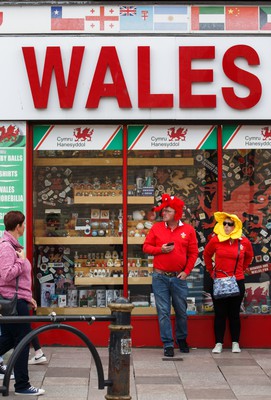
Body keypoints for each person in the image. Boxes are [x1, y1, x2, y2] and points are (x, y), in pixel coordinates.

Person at [143, 194, 198, 357]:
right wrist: (160, 249)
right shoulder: (157, 228)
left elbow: (193, 253)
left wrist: (186, 272)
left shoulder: (188, 230)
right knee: (163, 311)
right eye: (164, 210)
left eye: (168, 211)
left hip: (178, 277)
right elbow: (145, 247)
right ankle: (168, 344)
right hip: (160, 277)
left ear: (177, 213)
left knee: (181, 310)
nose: (164, 213)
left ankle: (181, 339)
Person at [0, 211, 45, 395]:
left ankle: (22, 385)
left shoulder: (13, 246)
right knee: (23, 340)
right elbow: (6, 275)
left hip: (19, 300)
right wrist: (20, 261)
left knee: (11, 339)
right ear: (17, 226)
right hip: (13, 302)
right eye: (24, 224)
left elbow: (20, 281)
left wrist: (28, 297)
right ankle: (22, 386)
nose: (25, 226)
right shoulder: (6, 247)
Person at [203, 212, 254, 354]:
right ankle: (218, 343)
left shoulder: (243, 242)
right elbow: (206, 254)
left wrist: (241, 270)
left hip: (237, 281)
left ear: (235, 226)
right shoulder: (216, 240)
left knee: (234, 314)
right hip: (219, 281)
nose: (226, 226)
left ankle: (235, 343)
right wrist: (211, 271)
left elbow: (249, 257)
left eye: (229, 224)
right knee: (220, 314)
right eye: (224, 223)